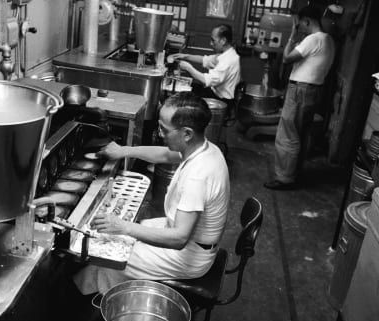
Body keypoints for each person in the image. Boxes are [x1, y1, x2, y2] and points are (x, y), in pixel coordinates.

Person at [73, 92, 230, 295]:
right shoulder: (204, 148)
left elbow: (179, 238)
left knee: (112, 259)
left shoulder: (198, 176)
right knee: (137, 229)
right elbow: (164, 154)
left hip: (190, 256)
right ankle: (90, 285)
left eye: (164, 129)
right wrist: (124, 150)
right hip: (193, 241)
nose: (160, 133)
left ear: (187, 133)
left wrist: (122, 226)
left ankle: (97, 302)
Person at [264, 5, 335, 190]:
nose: (299, 27)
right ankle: (295, 173)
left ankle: (285, 178)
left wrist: (291, 36)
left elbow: (287, 58)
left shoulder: (312, 39)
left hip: (299, 90)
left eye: (299, 23)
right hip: (314, 90)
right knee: (301, 134)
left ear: (307, 21)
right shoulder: (329, 40)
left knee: (287, 134)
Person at [167, 24, 241, 115]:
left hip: (221, 100)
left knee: (185, 98)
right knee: (191, 87)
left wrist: (187, 67)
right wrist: (185, 56)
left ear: (223, 40)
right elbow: (204, 59)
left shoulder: (228, 60)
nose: (211, 43)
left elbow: (206, 80)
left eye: (213, 40)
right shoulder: (226, 54)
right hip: (214, 92)